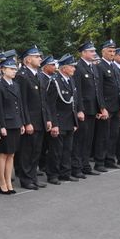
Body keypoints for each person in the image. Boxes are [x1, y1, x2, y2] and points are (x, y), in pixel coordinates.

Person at [14, 46, 51, 190]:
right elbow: (22, 102)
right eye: (37, 56)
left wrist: (47, 118)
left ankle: (33, 177)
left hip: (40, 119)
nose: (40, 59)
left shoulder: (39, 75)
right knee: (27, 151)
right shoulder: (22, 76)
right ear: (28, 60)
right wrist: (27, 122)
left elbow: (44, 100)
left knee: (36, 150)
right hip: (31, 120)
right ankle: (25, 179)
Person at [72, 42, 105, 178]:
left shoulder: (94, 67)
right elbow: (77, 91)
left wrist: (102, 107)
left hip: (93, 109)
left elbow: (98, 90)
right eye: (91, 51)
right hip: (84, 109)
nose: (93, 54)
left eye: (93, 51)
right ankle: (76, 167)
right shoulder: (78, 67)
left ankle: (85, 165)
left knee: (88, 139)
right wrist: (79, 109)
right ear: (83, 53)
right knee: (80, 139)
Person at [45, 54, 79, 184]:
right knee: (56, 150)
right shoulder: (55, 82)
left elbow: (73, 103)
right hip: (59, 120)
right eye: (72, 67)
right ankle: (53, 174)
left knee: (67, 149)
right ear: (64, 68)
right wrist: (54, 124)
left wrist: (74, 121)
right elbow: (50, 104)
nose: (74, 69)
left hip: (69, 120)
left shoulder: (71, 80)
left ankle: (65, 172)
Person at [94, 40, 120, 172]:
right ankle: (99, 162)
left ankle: (110, 159)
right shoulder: (99, 66)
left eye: (114, 51)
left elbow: (119, 88)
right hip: (106, 107)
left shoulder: (114, 67)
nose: (112, 53)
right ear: (103, 52)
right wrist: (102, 107)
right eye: (110, 51)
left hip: (116, 106)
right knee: (103, 136)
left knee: (113, 134)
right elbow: (98, 89)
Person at [0, 58, 24, 194]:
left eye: (15, 69)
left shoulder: (16, 85)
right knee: (3, 154)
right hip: (6, 123)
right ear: (3, 70)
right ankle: (1, 182)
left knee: (11, 154)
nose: (14, 72)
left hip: (16, 122)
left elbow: (20, 105)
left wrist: (21, 122)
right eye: (11, 69)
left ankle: (8, 181)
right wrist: (1, 126)